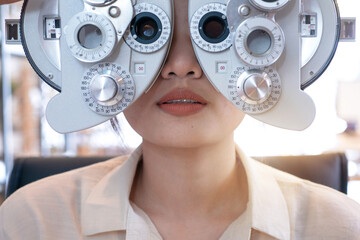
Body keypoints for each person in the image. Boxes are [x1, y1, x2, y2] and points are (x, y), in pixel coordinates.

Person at [1, 0, 360, 239]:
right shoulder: (31, 221)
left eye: (214, 30)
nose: (180, 66)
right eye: (147, 31)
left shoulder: (340, 226)